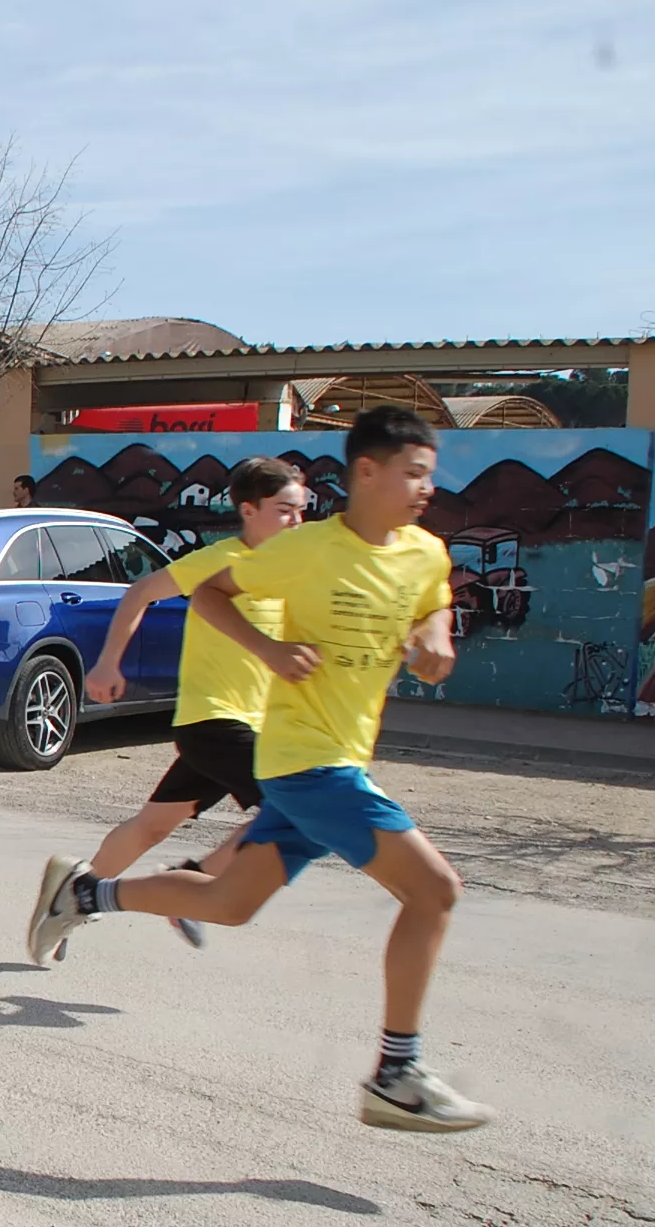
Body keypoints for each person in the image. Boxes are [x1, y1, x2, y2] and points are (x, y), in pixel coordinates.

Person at [27, 406, 486, 1133]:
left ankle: (88, 897)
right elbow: (209, 594)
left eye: (430, 474)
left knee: (230, 901)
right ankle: (397, 1073)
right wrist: (268, 653)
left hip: (336, 752)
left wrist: (434, 646)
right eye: (414, 473)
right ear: (368, 472)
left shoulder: (425, 552)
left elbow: (433, 613)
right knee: (434, 891)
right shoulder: (304, 553)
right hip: (302, 760)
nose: (427, 487)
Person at [74, 457, 310, 947]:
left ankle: (73, 896)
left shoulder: (289, 571)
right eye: (285, 510)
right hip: (215, 721)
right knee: (294, 807)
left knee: (152, 826)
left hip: (247, 723)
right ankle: (192, 884)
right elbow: (141, 592)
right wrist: (107, 662)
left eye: (302, 511)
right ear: (249, 510)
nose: (297, 522)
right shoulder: (223, 561)